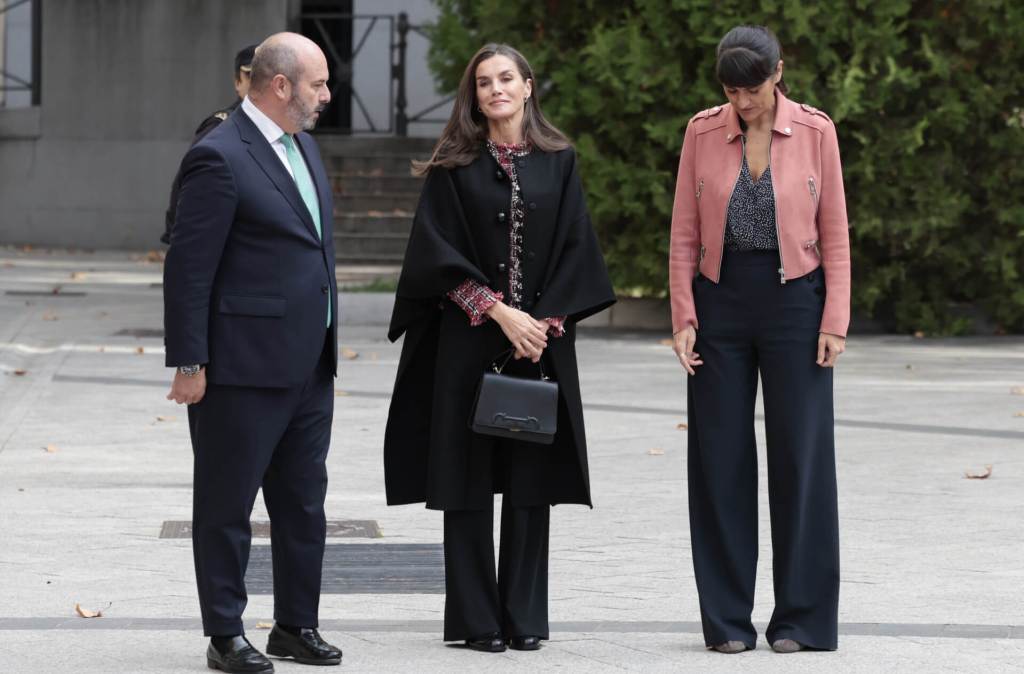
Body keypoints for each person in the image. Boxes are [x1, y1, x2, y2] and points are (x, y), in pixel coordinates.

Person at [383, 43, 615, 653]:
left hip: (540, 344)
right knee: (465, 481)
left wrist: (542, 324)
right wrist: (497, 311)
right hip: (467, 342)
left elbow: (577, 248)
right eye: (483, 82)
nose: (495, 90)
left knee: (530, 478)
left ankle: (525, 616)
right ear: (474, 95)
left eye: (506, 78)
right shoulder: (452, 166)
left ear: (528, 86)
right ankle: (475, 620)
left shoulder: (559, 162)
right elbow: (431, 255)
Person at [163, 32, 342, 673]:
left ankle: (295, 625)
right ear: (281, 85)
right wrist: (190, 363)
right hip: (238, 368)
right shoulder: (218, 154)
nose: (327, 94)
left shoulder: (306, 148)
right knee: (226, 505)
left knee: (302, 504)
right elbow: (188, 269)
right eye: (318, 84)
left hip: (308, 365)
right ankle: (225, 634)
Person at [668, 25, 850, 654]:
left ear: (778, 73)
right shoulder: (701, 131)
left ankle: (800, 620)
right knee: (719, 459)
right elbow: (684, 233)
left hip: (797, 302)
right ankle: (725, 621)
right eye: (731, 90)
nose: (742, 102)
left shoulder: (817, 131)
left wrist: (835, 320)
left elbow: (836, 234)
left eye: (752, 89)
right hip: (720, 301)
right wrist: (684, 315)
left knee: (800, 459)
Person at [161, 44, 257, 245]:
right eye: (251, 76)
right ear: (238, 82)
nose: (258, 83)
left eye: (264, 77)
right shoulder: (221, 126)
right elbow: (187, 182)